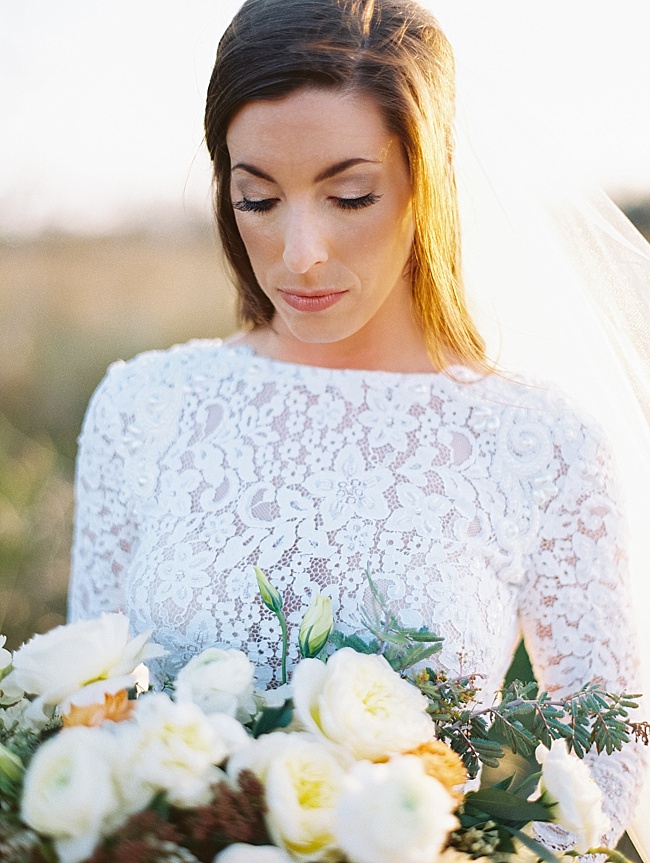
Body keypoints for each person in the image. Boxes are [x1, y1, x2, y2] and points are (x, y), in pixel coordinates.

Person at [67, 0, 649, 852]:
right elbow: (87, 720)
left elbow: (610, 771)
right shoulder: (144, 406)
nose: (300, 250)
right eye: (256, 198)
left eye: (349, 194)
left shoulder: (544, 443)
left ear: (430, 177)